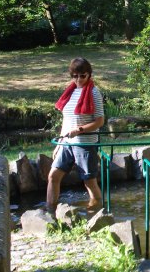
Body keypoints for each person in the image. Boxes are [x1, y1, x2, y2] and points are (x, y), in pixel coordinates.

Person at [47, 57, 104, 214]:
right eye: (75, 76)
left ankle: (96, 216)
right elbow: (67, 120)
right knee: (53, 176)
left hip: (85, 144)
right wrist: (60, 144)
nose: (78, 79)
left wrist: (80, 130)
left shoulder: (94, 92)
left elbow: (100, 121)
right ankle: (50, 213)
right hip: (67, 143)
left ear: (89, 75)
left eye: (82, 76)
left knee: (89, 182)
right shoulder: (70, 91)